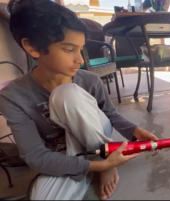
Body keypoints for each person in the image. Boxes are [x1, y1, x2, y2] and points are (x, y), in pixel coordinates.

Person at [0, 0, 158, 200]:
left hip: (97, 136)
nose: (81, 60)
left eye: (80, 49)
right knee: (42, 197)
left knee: (67, 93)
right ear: (32, 47)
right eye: (69, 49)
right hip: (64, 152)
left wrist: (134, 131)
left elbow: (110, 114)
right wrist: (97, 166)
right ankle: (97, 165)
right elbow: (36, 156)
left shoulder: (89, 80)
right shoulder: (13, 97)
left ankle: (104, 154)